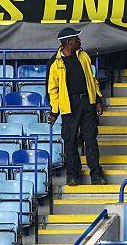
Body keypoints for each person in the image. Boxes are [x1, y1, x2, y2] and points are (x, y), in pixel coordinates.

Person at [48, 27, 106, 186]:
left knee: (91, 140)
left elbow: (92, 79)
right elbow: (52, 89)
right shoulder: (55, 62)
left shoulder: (84, 55)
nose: (80, 41)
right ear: (69, 42)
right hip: (69, 106)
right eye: (76, 39)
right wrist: (54, 111)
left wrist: (98, 99)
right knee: (70, 141)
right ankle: (73, 175)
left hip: (87, 103)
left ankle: (96, 174)